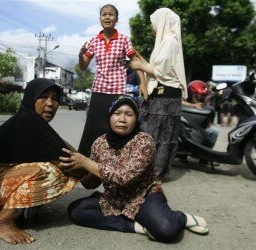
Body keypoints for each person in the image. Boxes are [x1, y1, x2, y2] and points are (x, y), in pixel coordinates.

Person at [59, 95, 209, 243]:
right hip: (113, 198)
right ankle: (135, 226)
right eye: (117, 113)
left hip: (143, 197)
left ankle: (180, 217)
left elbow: (124, 177)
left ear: (136, 118)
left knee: (166, 231)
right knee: (77, 211)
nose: (122, 119)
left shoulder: (144, 141)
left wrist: (86, 163)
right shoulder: (99, 143)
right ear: (110, 116)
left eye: (129, 114)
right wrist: (74, 169)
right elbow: (90, 184)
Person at [0, 78, 84, 244]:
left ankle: (16, 209)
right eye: (43, 97)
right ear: (30, 98)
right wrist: (96, 169)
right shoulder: (28, 121)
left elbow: (65, 148)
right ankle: (2, 223)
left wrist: (86, 165)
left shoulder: (31, 120)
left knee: (57, 165)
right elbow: (74, 165)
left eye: (55, 98)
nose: (50, 103)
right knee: (50, 170)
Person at [78, 4, 145, 158]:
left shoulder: (123, 40)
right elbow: (83, 66)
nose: (107, 17)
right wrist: (80, 55)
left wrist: (143, 82)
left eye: (111, 14)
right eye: (104, 14)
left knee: (114, 126)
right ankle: (84, 163)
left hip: (116, 91)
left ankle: (116, 159)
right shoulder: (95, 40)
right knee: (92, 127)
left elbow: (134, 61)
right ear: (100, 18)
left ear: (116, 19)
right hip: (98, 89)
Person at [130, 7, 188, 180]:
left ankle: (154, 175)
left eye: (153, 23)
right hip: (162, 96)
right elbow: (155, 68)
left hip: (166, 97)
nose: (152, 27)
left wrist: (140, 66)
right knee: (153, 135)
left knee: (159, 137)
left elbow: (159, 72)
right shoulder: (165, 42)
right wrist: (138, 56)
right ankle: (150, 173)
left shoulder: (170, 41)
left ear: (162, 22)